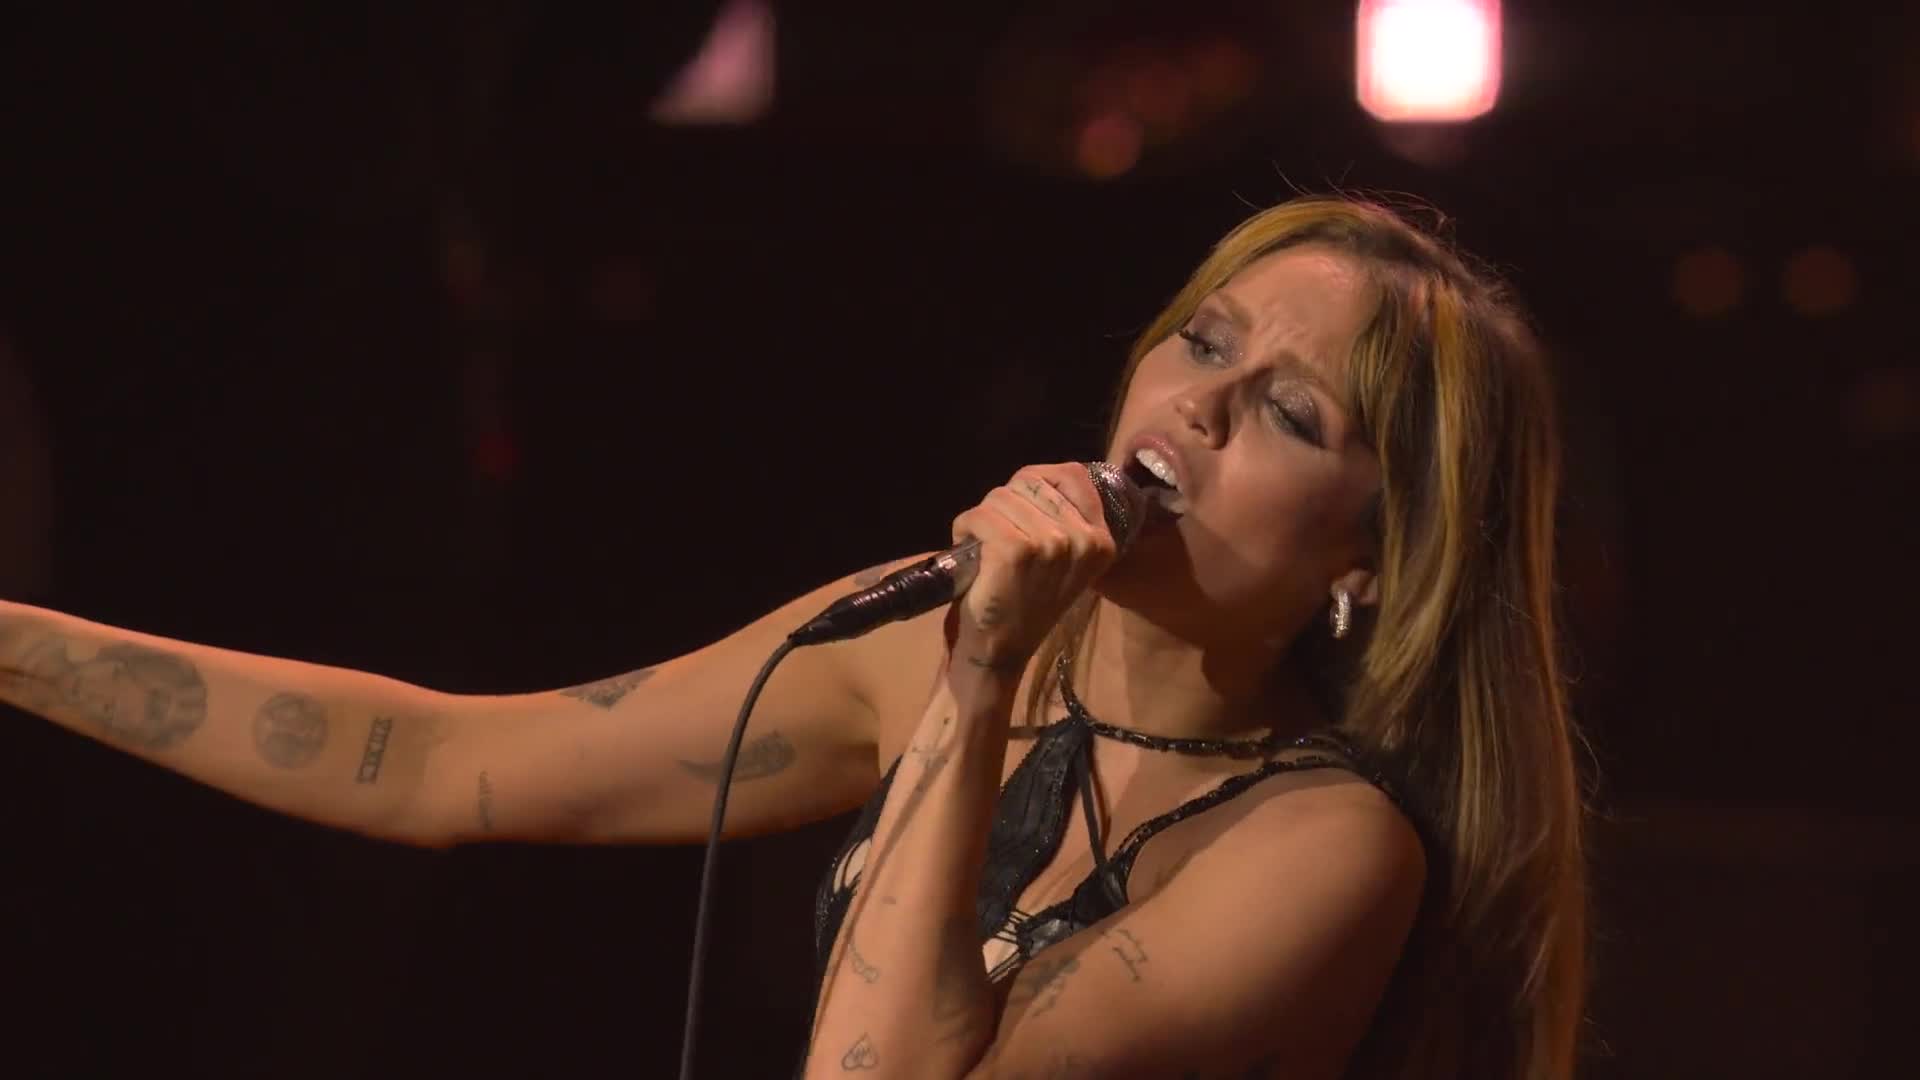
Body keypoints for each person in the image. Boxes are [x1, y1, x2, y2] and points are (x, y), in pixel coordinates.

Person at [0, 195, 1588, 1079]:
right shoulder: (926, 643)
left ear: (1376, 558)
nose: (1201, 406)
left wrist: (978, 678)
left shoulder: (1327, 845)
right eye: (1202, 339)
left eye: (1291, 415)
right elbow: (431, 764)